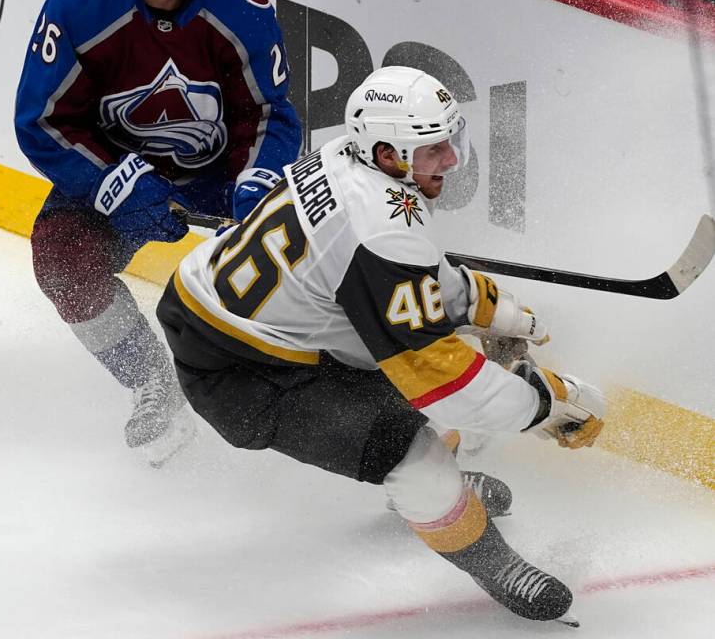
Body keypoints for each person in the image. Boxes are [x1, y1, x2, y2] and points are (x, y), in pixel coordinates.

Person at [157, 66, 606, 624]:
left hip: (256, 319)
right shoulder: (381, 224)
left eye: (451, 140)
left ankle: (436, 493)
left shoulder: (352, 155)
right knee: (411, 450)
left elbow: (408, 269)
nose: (453, 160)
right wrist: (544, 406)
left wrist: (495, 310)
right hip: (240, 371)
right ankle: (491, 562)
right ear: (391, 154)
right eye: (436, 148)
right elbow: (450, 387)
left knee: (414, 365)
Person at [14, 0, 302, 466]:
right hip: (120, 174)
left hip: (223, 177)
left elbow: (270, 116)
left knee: (301, 276)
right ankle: (155, 382)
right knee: (63, 261)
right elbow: (42, 122)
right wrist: (114, 183)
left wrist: (256, 186)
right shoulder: (79, 10)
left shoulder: (241, 10)